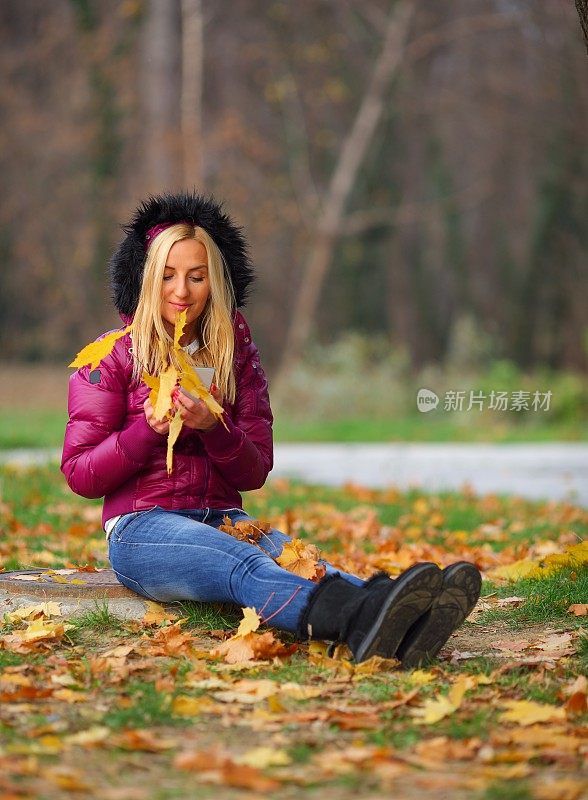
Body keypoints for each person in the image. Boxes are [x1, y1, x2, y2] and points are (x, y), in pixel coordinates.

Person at [61, 190, 481, 667]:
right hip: (142, 529)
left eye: (197, 277)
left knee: (300, 558)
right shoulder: (111, 357)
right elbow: (80, 473)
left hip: (224, 517)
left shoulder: (234, 357)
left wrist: (214, 427)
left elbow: (254, 469)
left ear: (215, 282)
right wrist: (147, 432)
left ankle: (406, 616)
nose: (181, 291)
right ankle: (355, 621)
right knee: (244, 565)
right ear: (145, 278)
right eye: (168, 276)